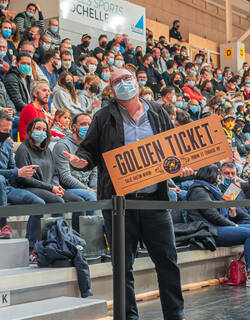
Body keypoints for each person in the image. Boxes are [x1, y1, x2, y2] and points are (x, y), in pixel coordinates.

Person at [63, 68, 193, 320]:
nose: (123, 84)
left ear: (136, 80)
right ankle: (127, 317)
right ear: (111, 88)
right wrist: (80, 161)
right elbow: (89, 152)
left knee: (168, 262)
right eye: (117, 81)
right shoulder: (103, 117)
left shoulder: (157, 112)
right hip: (119, 205)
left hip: (155, 202)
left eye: (127, 79)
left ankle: (176, 315)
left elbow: (173, 149)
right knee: (122, 267)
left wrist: (181, 165)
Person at [187, 164, 250, 289]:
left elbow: (224, 212)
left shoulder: (211, 189)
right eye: (219, 174)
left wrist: (233, 214)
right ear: (210, 175)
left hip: (217, 226)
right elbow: (212, 215)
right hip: (208, 230)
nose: (220, 177)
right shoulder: (199, 190)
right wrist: (234, 225)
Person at [15, 117, 86, 246]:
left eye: (44, 130)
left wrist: (56, 186)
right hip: (30, 187)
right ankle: (57, 239)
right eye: (38, 129)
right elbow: (26, 179)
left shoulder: (47, 150)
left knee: (78, 201)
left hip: (49, 187)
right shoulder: (22, 149)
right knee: (57, 201)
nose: (41, 132)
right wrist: (51, 188)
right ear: (30, 131)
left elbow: (54, 173)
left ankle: (76, 240)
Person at [0, 111, 45, 243]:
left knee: (39, 203)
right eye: (4, 130)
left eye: (9, 130)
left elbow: (11, 167)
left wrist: (22, 171)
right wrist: (16, 173)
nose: (7, 133)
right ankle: (2, 225)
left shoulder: (8, 143)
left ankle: (31, 245)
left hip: (8, 188)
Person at [52, 113, 97, 216]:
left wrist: (95, 188)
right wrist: (88, 189)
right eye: (83, 124)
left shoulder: (92, 145)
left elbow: (94, 172)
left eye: (90, 124)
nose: (87, 127)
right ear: (74, 127)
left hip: (87, 187)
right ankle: (89, 230)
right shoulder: (63, 146)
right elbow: (65, 177)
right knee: (90, 196)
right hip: (67, 188)